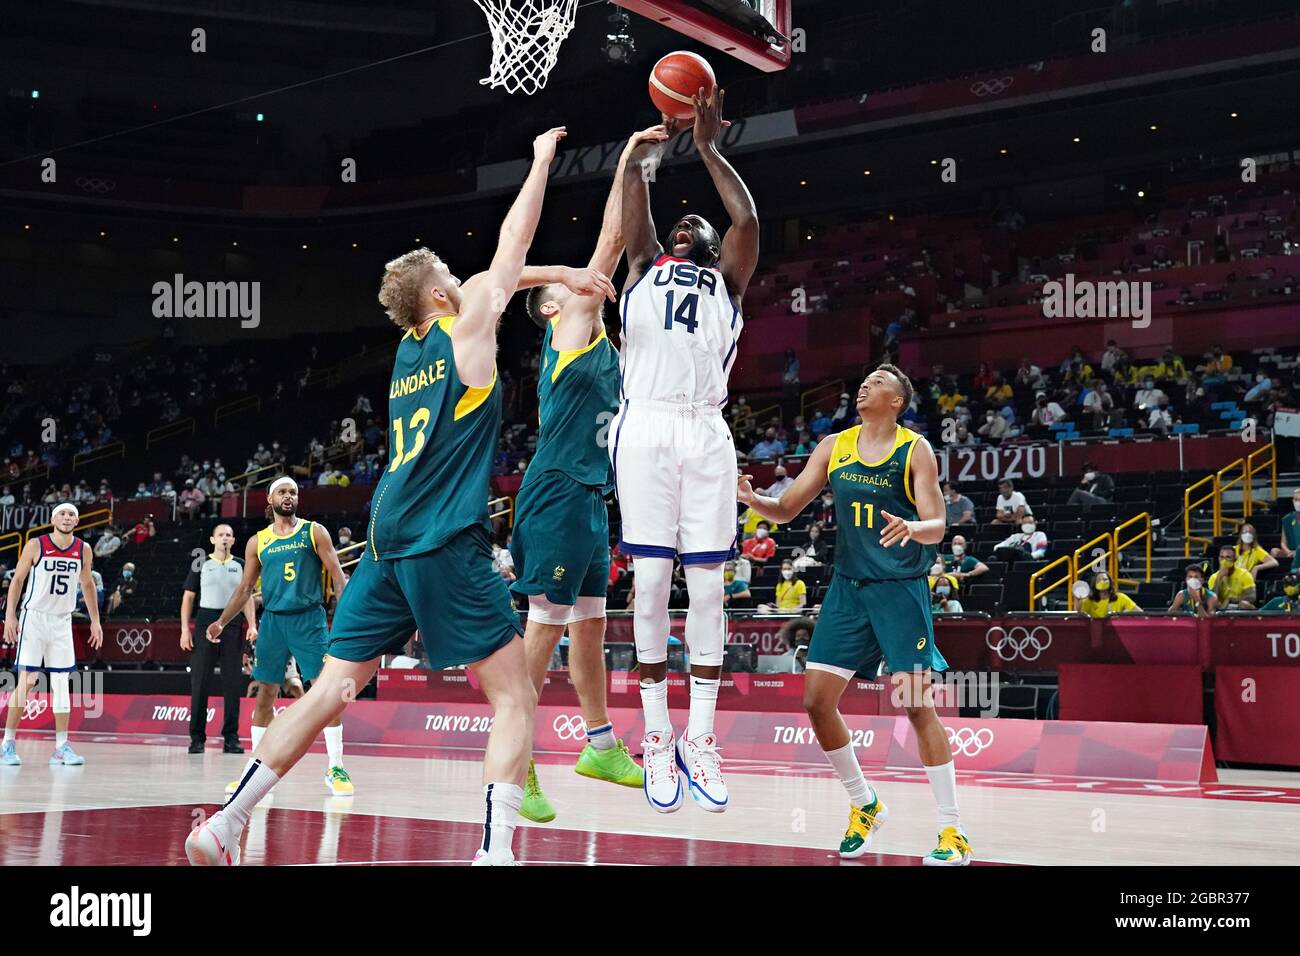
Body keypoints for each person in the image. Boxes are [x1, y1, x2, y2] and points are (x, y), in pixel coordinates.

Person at [187, 127, 573, 868]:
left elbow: (507, 274)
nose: (470, 281)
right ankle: (496, 855)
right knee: (515, 696)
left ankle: (227, 822)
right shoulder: (466, 327)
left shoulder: (406, 351)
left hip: (387, 536)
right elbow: (511, 250)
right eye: (455, 277)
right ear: (440, 294)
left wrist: (565, 275)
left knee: (331, 687)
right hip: (443, 535)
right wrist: (539, 163)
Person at [738, 365, 973, 865]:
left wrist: (914, 527)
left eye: (877, 382)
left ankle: (953, 831)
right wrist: (755, 500)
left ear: (897, 401)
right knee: (817, 702)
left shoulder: (916, 450)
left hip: (900, 594)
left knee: (916, 706)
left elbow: (937, 525)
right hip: (848, 591)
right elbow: (786, 508)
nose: (864, 386)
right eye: (863, 381)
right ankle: (864, 803)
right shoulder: (833, 445)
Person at [509, 130, 655, 824]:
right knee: (544, 628)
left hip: (589, 497)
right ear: (553, 309)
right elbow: (607, 247)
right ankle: (517, 758)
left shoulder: (598, 344)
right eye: (570, 290)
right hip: (558, 492)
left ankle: (598, 745)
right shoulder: (570, 325)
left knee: (592, 627)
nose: (586, 288)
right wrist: (628, 160)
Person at [2, 503, 104, 766]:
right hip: (34, 617)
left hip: (61, 621)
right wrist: (10, 615)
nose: (67, 517)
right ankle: (7, 744)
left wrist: (95, 621)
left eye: (71, 514)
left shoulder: (84, 549)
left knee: (61, 683)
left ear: (77, 520)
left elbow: (87, 584)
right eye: (62, 513)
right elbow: (17, 580)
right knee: (27, 680)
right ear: (52, 518)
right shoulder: (36, 545)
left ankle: (61, 747)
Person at [181, 524, 257, 755]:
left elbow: (247, 597)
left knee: (232, 682)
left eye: (228, 535)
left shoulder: (241, 565)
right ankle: (197, 738)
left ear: (233, 541)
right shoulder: (201, 563)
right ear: (213, 540)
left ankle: (231, 738)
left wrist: (252, 625)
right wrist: (185, 629)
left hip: (232, 622)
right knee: (200, 682)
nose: (224, 538)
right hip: (205, 620)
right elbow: (188, 597)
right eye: (220, 535)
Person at [1207, 544, 1256, 610]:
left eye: (1228, 557)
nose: (1224, 561)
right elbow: (1212, 600)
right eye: (1221, 557)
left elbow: (1252, 597)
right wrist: (1219, 578)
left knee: (1244, 604)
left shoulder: (1244, 574)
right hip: (1222, 609)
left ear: (1234, 559)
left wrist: (1230, 599)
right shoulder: (1214, 577)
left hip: (1239, 607)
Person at [1075, 571, 1140, 617]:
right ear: (1094, 584)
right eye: (1099, 580)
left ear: (1110, 582)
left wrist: (1127, 613)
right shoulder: (1088, 601)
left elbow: (1139, 612)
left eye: (1105, 579)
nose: (1102, 581)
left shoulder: (1121, 597)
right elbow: (1079, 618)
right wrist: (1077, 604)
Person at [1272, 489, 1300, 572]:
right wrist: (1288, 552)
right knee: (1274, 551)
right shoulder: (1287, 519)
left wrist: (1297, 552)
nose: (1298, 502)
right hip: (1291, 552)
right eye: (1296, 499)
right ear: (1293, 501)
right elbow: (1283, 543)